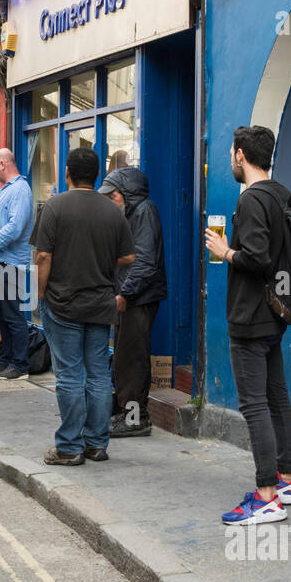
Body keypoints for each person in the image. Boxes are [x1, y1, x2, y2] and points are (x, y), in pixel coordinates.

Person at [205, 125, 291, 525]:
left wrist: (224, 250)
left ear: (241, 154)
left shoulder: (251, 200)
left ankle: (266, 496)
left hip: (249, 315)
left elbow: (258, 258)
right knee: (277, 397)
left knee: (254, 405)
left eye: (232, 152)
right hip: (276, 314)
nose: (231, 158)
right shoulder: (283, 195)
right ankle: (288, 480)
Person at [32, 148, 135, 466]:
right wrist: (101, 261)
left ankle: (69, 447)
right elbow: (129, 257)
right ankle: (96, 444)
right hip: (100, 303)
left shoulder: (54, 206)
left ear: (67, 174)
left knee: (69, 376)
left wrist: (41, 293)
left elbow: (43, 257)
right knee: (99, 376)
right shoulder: (113, 211)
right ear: (96, 176)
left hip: (63, 304)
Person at [99, 167, 168, 438]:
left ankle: (135, 418)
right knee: (124, 358)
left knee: (132, 360)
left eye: (112, 196)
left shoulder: (143, 211)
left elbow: (146, 262)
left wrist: (124, 294)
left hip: (138, 297)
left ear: (125, 193)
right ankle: (125, 412)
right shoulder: (129, 213)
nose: (109, 201)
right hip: (131, 295)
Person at [0, 149, 34, 380]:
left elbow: (15, 228)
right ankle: (6, 359)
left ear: (3, 164)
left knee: (13, 316)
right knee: (2, 315)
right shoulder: (7, 189)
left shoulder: (20, 190)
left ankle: (20, 365)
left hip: (10, 263)